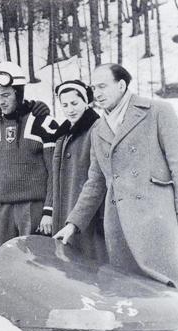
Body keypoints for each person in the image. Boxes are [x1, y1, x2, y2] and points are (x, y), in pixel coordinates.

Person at [53, 64, 178, 291]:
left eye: (102, 86)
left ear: (121, 85)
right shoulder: (98, 128)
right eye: (94, 87)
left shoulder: (157, 111)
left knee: (165, 287)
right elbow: (95, 182)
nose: (97, 93)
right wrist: (73, 224)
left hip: (154, 216)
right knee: (130, 290)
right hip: (118, 221)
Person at [0, 61, 59, 250]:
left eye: (6, 95)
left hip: (33, 207)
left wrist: (49, 210)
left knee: (35, 266)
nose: (1, 101)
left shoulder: (43, 123)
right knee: (5, 267)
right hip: (1, 209)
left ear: (19, 93)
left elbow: (55, 172)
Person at [38, 80, 107, 262]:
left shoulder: (97, 129)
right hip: (65, 216)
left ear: (86, 102)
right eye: (65, 105)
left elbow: (97, 181)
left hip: (88, 221)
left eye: (75, 103)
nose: (70, 109)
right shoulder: (63, 134)